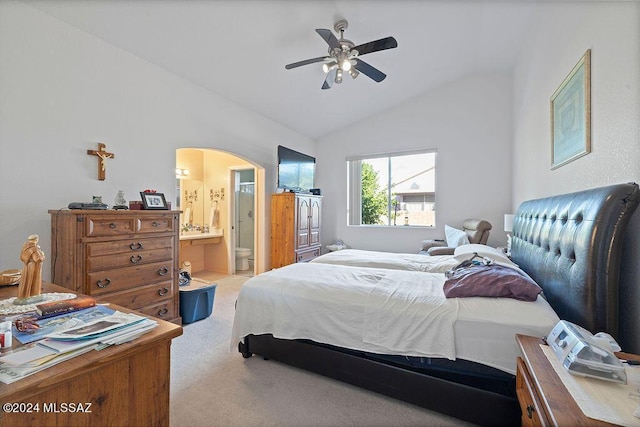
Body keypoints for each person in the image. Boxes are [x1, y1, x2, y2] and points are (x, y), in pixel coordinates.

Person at [17, 234, 45, 299]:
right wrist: (42, 255)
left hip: (27, 266)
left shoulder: (25, 248)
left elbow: (22, 257)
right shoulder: (34, 249)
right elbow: (37, 259)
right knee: (34, 280)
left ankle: (24, 294)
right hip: (34, 267)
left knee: (26, 279)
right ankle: (34, 294)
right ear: (36, 240)